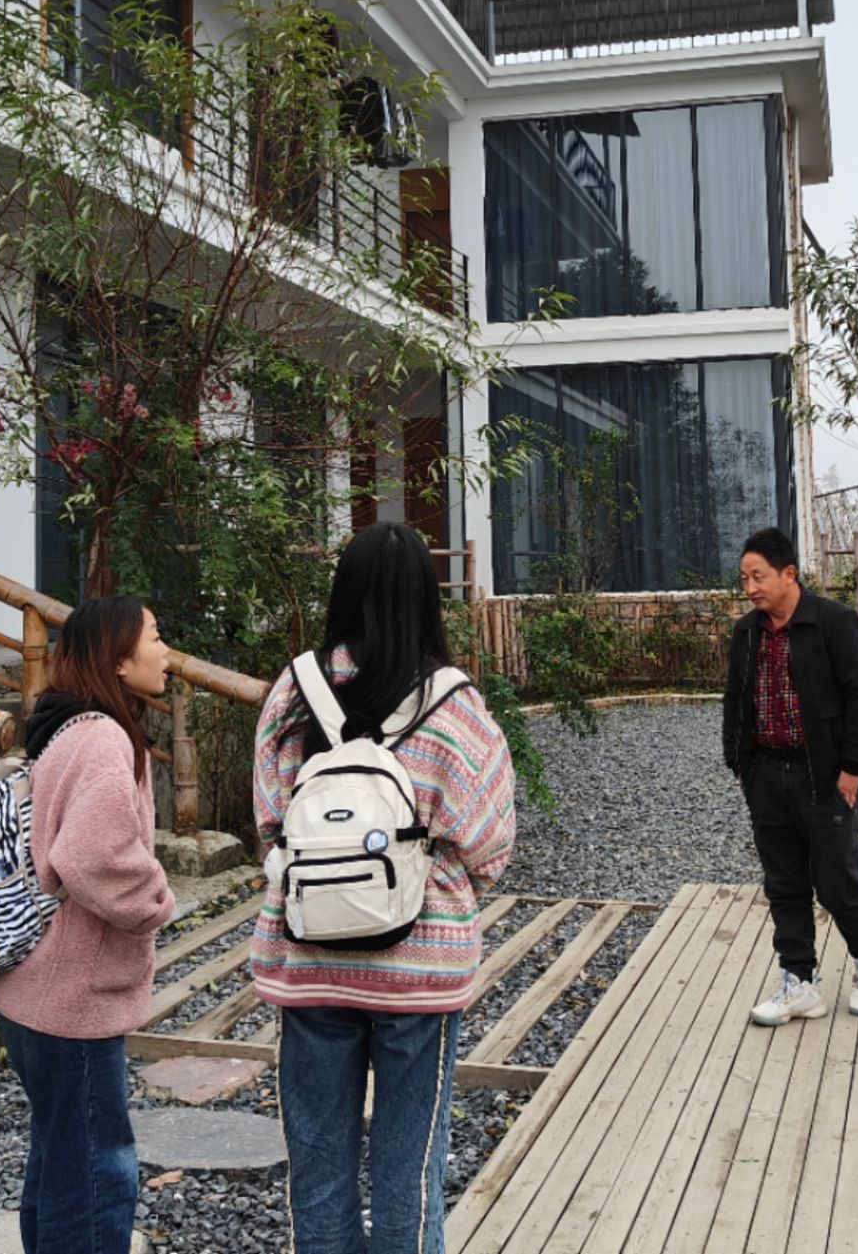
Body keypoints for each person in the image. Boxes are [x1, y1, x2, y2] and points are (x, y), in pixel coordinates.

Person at [252, 522, 516, 1253]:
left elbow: (271, 820)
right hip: (417, 971)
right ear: (426, 599)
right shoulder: (452, 703)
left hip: (310, 959)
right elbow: (490, 842)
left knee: (318, 1172)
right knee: (409, 1173)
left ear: (345, 592)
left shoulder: (295, 690)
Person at [0, 595, 178, 1254]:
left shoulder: (61, 725)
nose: (167, 651)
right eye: (155, 636)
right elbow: (92, 856)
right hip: (72, 999)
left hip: (32, 990)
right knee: (97, 1175)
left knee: (58, 1163)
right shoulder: (102, 737)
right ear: (119, 659)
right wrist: (157, 902)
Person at [722, 525, 858, 1025]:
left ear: (789, 574)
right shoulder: (747, 633)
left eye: (758, 576)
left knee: (837, 881)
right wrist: (740, 764)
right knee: (784, 884)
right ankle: (799, 981)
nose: (750, 587)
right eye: (744, 578)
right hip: (767, 776)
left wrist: (851, 769)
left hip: (825, 776)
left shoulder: (833, 623)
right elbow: (735, 701)